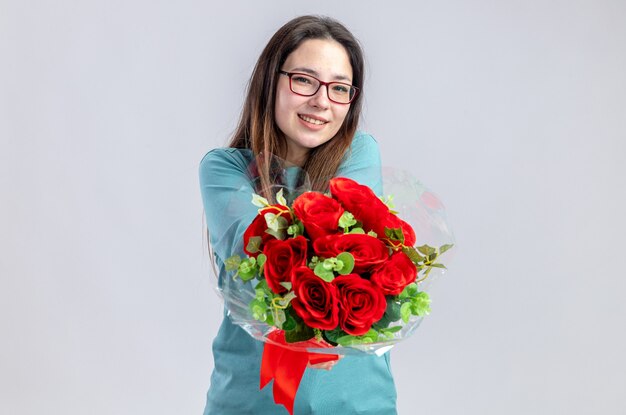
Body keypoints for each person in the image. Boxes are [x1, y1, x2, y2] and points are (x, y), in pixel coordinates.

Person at [199, 15, 397, 414]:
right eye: (304, 80)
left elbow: (348, 260)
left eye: (339, 88)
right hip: (252, 403)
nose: (321, 101)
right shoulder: (225, 169)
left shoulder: (359, 153)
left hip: (357, 403)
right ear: (271, 80)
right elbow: (258, 256)